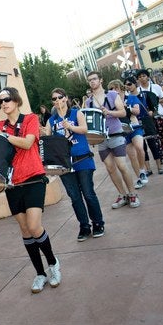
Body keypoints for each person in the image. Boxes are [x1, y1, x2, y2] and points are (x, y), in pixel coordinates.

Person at [0, 86, 60, 294]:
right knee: (25, 230)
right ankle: (40, 273)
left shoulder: (30, 119)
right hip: (12, 183)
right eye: (0, 101)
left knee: (34, 225)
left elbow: (28, 143)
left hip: (34, 179)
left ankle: (54, 264)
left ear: (17, 100)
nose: (4, 103)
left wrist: (2, 135)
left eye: (7, 99)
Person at [44, 88, 104, 241]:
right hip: (65, 164)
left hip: (82, 159)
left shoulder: (76, 113)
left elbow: (84, 129)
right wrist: (42, 132)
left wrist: (70, 127)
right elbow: (47, 138)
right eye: (54, 98)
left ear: (66, 98)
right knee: (75, 197)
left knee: (88, 193)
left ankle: (98, 222)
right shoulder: (52, 120)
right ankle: (84, 226)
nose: (57, 100)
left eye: (60, 97)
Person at [85, 71, 140, 209]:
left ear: (100, 80)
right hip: (101, 138)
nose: (92, 82)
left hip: (116, 134)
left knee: (122, 165)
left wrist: (109, 112)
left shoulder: (112, 95)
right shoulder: (89, 101)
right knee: (110, 168)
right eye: (90, 80)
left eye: (94, 79)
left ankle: (132, 193)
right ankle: (122, 194)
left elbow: (122, 112)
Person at [108, 79, 149, 190]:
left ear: (121, 88)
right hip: (122, 131)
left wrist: (126, 108)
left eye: (115, 88)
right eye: (111, 89)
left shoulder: (131, 97)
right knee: (132, 155)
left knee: (140, 147)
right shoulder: (111, 104)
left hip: (134, 127)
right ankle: (140, 177)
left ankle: (142, 170)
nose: (114, 91)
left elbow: (137, 111)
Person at [136, 69, 163, 165]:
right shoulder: (138, 90)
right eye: (139, 77)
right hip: (147, 117)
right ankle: (160, 156)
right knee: (153, 138)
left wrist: (155, 102)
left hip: (159, 114)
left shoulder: (156, 87)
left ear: (147, 77)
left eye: (143, 76)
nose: (142, 78)